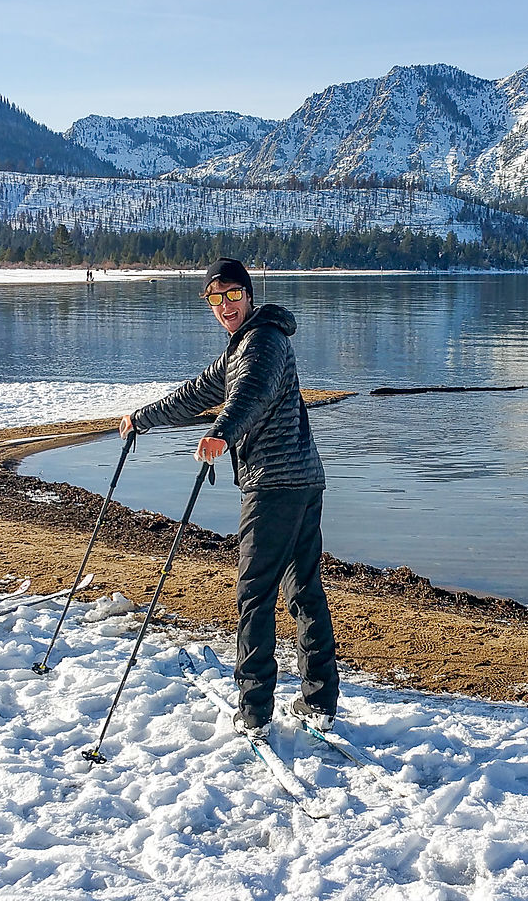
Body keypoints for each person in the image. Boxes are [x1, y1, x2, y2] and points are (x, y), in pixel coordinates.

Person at [119, 257, 338, 737]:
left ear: (250, 295)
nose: (225, 306)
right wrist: (143, 417)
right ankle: (319, 699)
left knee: (254, 594)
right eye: (215, 299)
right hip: (303, 479)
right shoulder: (244, 346)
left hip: (275, 484)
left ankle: (255, 709)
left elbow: (252, 396)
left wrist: (222, 431)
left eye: (233, 295)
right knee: (302, 588)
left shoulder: (262, 342)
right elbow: (198, 392)